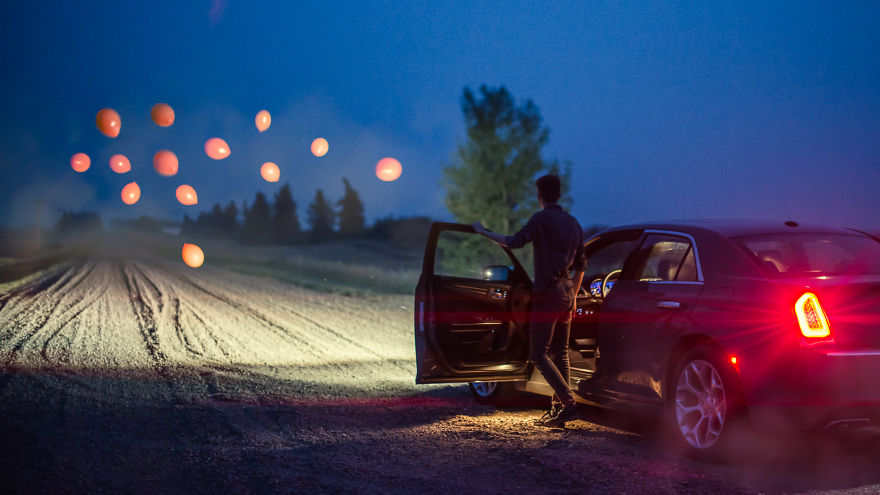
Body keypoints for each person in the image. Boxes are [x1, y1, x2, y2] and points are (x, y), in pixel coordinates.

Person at [472, 174, 586, 427]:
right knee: (560, 353)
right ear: (558, 194)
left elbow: (513, 242)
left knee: (538, 353)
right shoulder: (573, 223)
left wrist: (483, 231)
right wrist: (574, 296)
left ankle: (568, 402)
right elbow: (581, 265)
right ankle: (560, 409)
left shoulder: (541, 219)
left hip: (547, 295)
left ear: (540, 196)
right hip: (567, 294)